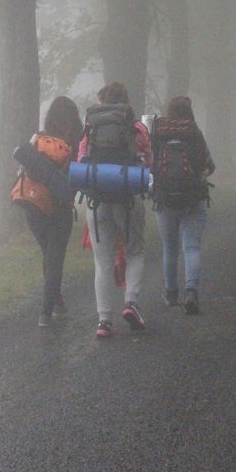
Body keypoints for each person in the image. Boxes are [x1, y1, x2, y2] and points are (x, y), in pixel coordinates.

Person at [77, 82, 152, 338]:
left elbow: (81, 160)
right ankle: (131, 303)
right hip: (128, 198)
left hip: (97, 200)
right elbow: (148, 162)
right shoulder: (136, 128)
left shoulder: (91, 127)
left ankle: (104, 321)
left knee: (102, 261)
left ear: (103, 101)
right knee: (135, 251)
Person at [18, 96, 83, 328]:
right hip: (59, 208)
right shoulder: (74, 145)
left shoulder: (37, 140)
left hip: (33, 204)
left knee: (48, 254)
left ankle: (57, 302)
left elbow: (22, 170)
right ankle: (46, 312)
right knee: (55, 258)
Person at [151, 96, 214, 314]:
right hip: (192, 199)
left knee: (169, 247)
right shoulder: (194, 132)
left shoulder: (158, 132)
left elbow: (151, 164)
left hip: (164, 198)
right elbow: (208, 165)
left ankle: (171, 293)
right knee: (191, 246)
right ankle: (191, 292)